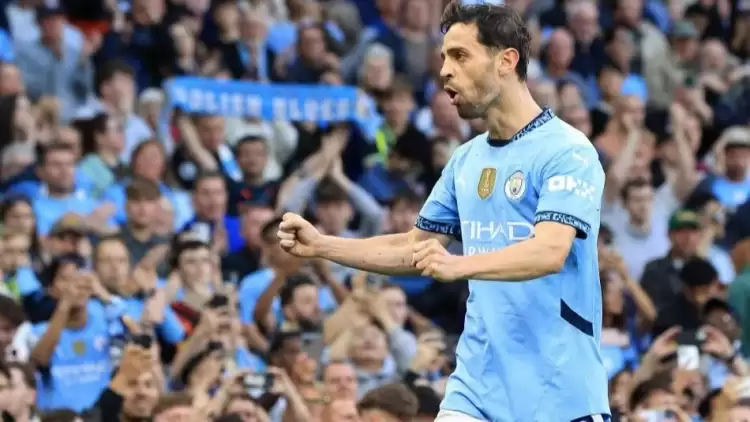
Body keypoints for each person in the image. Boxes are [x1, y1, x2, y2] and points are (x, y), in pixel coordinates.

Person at [277, 2, 609, 421]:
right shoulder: (466, 160)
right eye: (444, 58)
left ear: (506, 61)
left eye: (460, 56)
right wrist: (323, 245)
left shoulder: (568, 151)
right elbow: (414, 247)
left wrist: (458, 264)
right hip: (477, 388)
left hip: (560, 391)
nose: (445, 71)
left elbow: (549, 251)